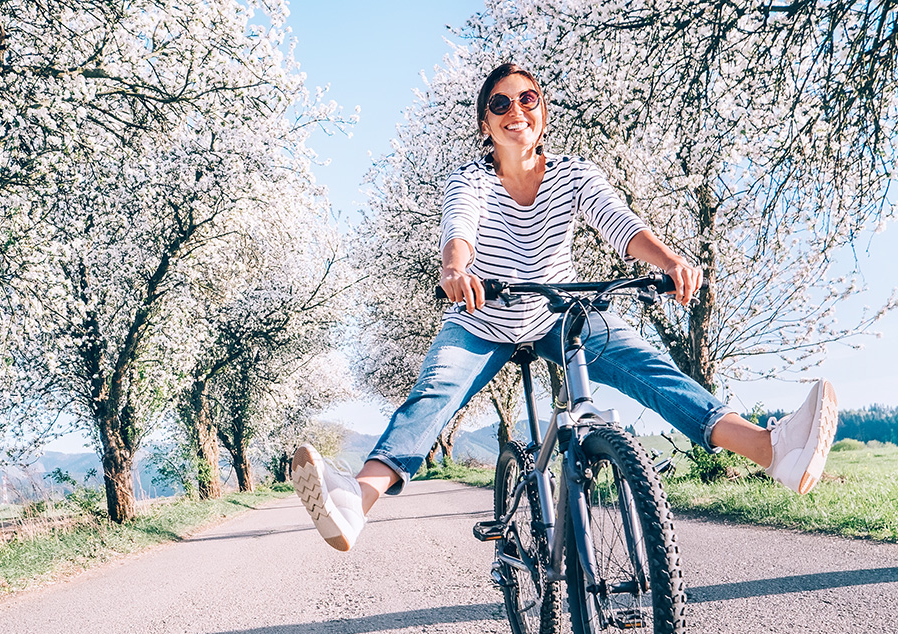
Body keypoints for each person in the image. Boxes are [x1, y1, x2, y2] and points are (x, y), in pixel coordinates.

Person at [291, 62, 838, 552]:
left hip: (560, 313)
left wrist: (670, 261)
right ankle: (355, 502)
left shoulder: (575, 174)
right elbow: (459, 232)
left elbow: (620, 223)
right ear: (486, 124)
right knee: (434, 393)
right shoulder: (471, 181)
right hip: (483, 318)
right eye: (500, 104)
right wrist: (456, 270)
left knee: (651, 369)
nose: (515, 111)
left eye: (527, 99)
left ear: (543, 114)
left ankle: (771, 450)